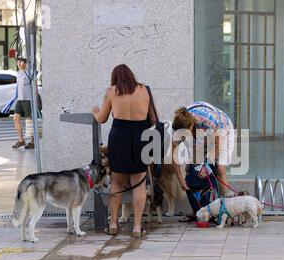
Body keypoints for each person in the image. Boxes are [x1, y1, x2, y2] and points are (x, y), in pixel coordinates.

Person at [92, 64, 157, 237]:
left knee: (117, 182)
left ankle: (113, 224)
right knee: (139, 183)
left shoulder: (112, 91)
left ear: (115, 78)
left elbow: (102, 118)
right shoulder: (145, 90)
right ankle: (136, 227)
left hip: (119, 137)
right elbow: (154, 119)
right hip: (140, 137)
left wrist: (94, 110)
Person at [172, 102, 235, 196]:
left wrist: (207, 167)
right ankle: (202, 201)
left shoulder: (207, 121)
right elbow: (173, 154)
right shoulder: (177, 126)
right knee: (196, 164)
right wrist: (180, 179)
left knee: (220, 167)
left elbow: (217, 144)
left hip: (222, 128)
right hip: (202, 131)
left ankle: (224, 204)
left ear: (191, 125)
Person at [12, 57, 35, 149]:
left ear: (25, 63)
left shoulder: (30, 73)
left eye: (20, 62)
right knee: (16, 119)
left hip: (28, 99)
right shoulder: (18, 73)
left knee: (29, 121)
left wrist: (36, 101)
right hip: (20, 99)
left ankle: (32, 142)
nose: (19, 64)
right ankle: (21, 141)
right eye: (18, 62)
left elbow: (34, 86)